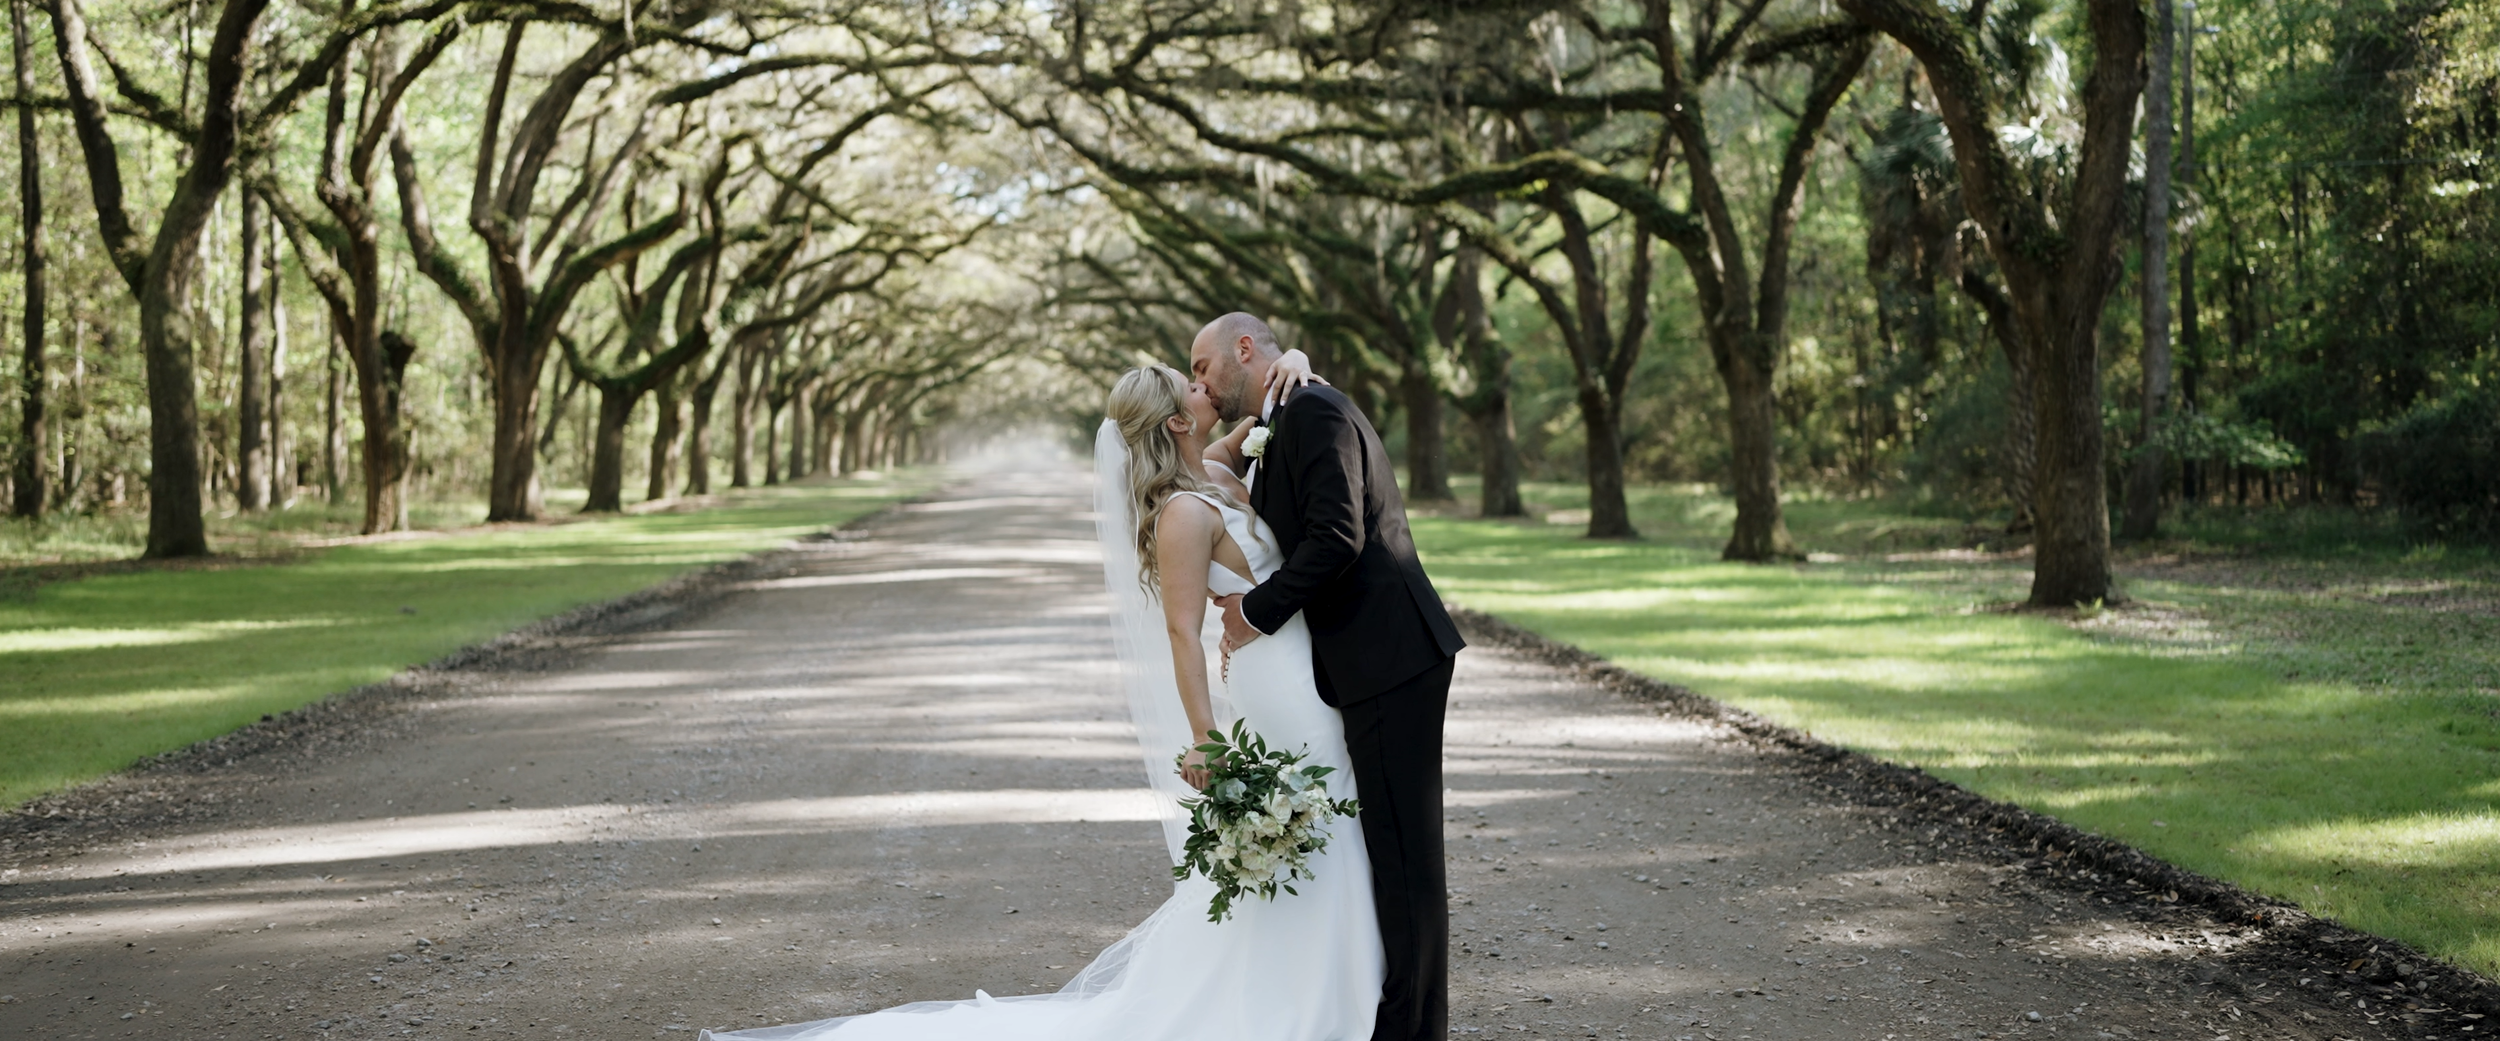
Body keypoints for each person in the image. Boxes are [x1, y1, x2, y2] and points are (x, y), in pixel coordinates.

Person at [703, 350, 1383, 1041]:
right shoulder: (1181, 511)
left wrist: (1292, 358)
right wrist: (1206, 736)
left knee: (1329, 820)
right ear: (1179, 418)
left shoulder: (1213, 472)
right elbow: (1182, 633)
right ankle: (1307, 999)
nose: (1206, 385)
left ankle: (1315, 984)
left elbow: (1264, 407)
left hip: (1300, 668)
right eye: (1193, 386)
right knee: (1317, 820)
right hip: (1275, 684)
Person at [1194, 313, 1466, 1041]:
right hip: (1365, 662)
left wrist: (1253, 612)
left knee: (1407, 856)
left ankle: (1412, 1030)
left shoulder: (1311, 409)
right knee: (1389, 848)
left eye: (1203, 366)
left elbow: (1338, 538)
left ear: (1244, 350)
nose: (1202, 383)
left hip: (1393, 656)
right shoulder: (1284, 413)